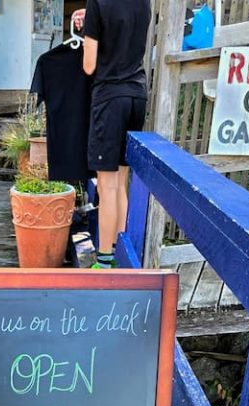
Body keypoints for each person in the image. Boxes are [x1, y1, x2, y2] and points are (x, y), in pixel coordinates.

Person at [72, 2, 151, 268]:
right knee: (121, 180)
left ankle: (104, 263)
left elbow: (89, 65)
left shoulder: (97, 2)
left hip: (110, 98)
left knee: (106, 186)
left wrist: (89, 32)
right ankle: (119, 253)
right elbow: (124, 28)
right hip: (137, 95)